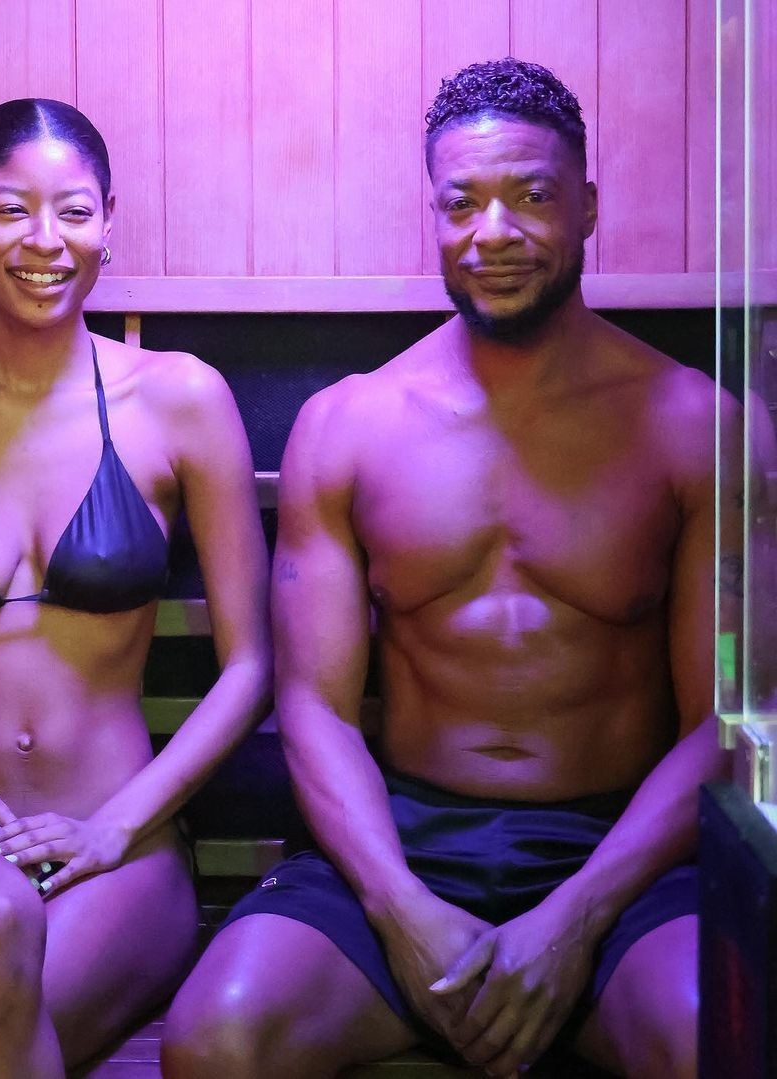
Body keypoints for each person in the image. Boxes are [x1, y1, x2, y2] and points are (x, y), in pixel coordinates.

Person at [162, 58, 739, 1079]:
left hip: (627, 856)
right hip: (405, 842)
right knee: (217, 1042)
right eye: (462, 202)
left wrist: (576, 918)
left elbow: (721, 725)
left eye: (532, 197)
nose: (493, 233)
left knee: (717, 1038)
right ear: (433, 213)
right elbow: (316, 707)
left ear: (588, 207)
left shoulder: (696, 425)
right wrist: (401, 910)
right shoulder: (349, 424)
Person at [0, 98, 271, 1078]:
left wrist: (116, 824)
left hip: (121, 845)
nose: (46, 240)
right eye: (11, 210)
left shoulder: (180, 399)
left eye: (74, 211)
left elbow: (250, 667)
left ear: (107, 221)